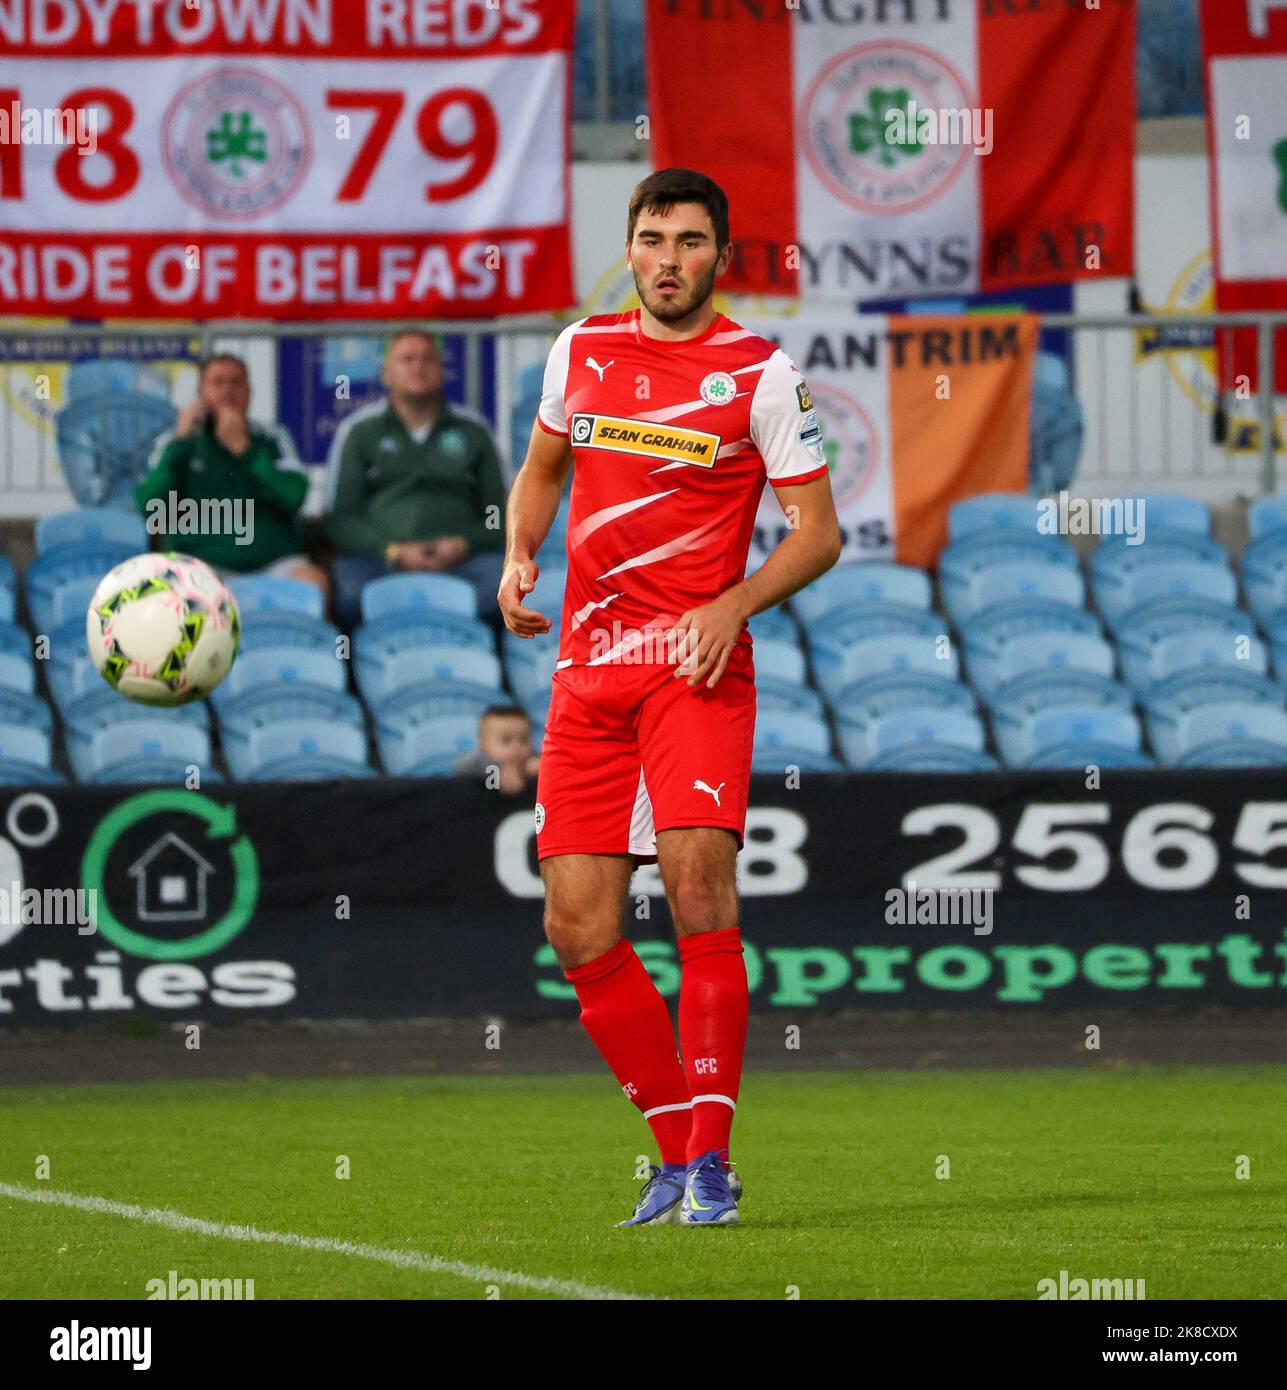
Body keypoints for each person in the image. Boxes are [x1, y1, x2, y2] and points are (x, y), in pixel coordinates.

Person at [498, 168, 841, 1227]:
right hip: (587, 677)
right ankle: (671, 1154)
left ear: (719, 255)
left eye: (691, 241)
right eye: (653, 238)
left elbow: (819, 533)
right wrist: (518, 553)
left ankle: (714, 1166)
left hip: (694, 669)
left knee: (698, 891)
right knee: (577, 925)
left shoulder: (762, 374)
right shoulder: (580, 349)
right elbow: (544, 464)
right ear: (631, 247)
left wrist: (735, 604)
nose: (669, 259)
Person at [323, 330, 507, 629]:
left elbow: (499, 515)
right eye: (406, 359)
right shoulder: (359, 432)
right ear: (386, 373)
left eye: (427, 359)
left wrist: (463, 543)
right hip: (380, 562)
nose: (417, 367)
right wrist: (392, 550)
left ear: (442, 370)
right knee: (350, 596)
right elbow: (340, 518)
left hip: (463, 563)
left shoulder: (475, 431)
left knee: (499, 593)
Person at [137, 355, 324, 591]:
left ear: (249, 392)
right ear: (201, 393)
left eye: (237, 383)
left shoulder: (272, 438)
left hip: (273, 563)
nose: (228, 390)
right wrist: (180, 444)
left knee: (313, 583)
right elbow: (150, 506)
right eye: (218, 383)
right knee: (175, 588)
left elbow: (294, 497)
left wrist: (246, 452)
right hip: (200, 564)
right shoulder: (176, 442)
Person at [454, 705, 539, 794]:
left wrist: (544, 769)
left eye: (524, 740)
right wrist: (496, 774)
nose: (516, 747)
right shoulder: (474, 763)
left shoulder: (533, 760)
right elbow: (462, 771)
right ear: (482, 744)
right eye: (506, 740)